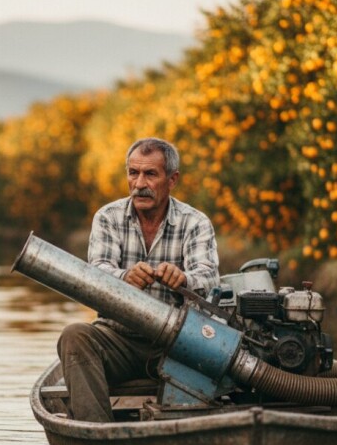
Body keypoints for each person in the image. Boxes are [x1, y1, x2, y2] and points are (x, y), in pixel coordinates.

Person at [57, 137, 220, 422]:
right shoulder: (108, 217)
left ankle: (191, 426)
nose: (139, 183)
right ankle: (98, 436)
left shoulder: (195, 223)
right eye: (133, 173)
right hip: (118, 339)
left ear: (172, 180)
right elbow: (96, 276)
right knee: (74, 336)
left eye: (150, 174)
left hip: (176, 343)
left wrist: (184, 279)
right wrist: (124, 277)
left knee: (221, 350)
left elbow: (209, 280)